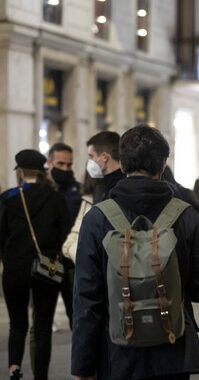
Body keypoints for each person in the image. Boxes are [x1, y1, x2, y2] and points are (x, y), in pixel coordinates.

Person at [71, 125, 199, 379]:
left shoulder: (97, 218)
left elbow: (86, 298)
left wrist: (83, 366)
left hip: (116, 352)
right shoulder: (185, 215)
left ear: (124, 164)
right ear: (163, 164)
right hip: (173, 350)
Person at [0, 150, 71, 380]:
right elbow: (65, 234)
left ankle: (14, 368)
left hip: (15, 269)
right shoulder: (55, 198)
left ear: (20, 172)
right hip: (46, 267)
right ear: (44, 171)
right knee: (42, 327)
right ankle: (40, 376)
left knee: (17, 324)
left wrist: (9, 258)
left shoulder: (8, 197)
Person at [46, 142, 81, 329]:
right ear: (49, 162)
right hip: (48, 261)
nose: (65, 169)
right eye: (60, 164)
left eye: (69, 165)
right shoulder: (42, 191)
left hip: (70, 263)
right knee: (41, 321)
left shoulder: (79, 191)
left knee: (76, 317)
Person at [86, 131, 124, 203]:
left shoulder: (123, 188)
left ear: (104, 157)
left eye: (91, 156)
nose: (89, 161)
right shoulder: (100, 186)